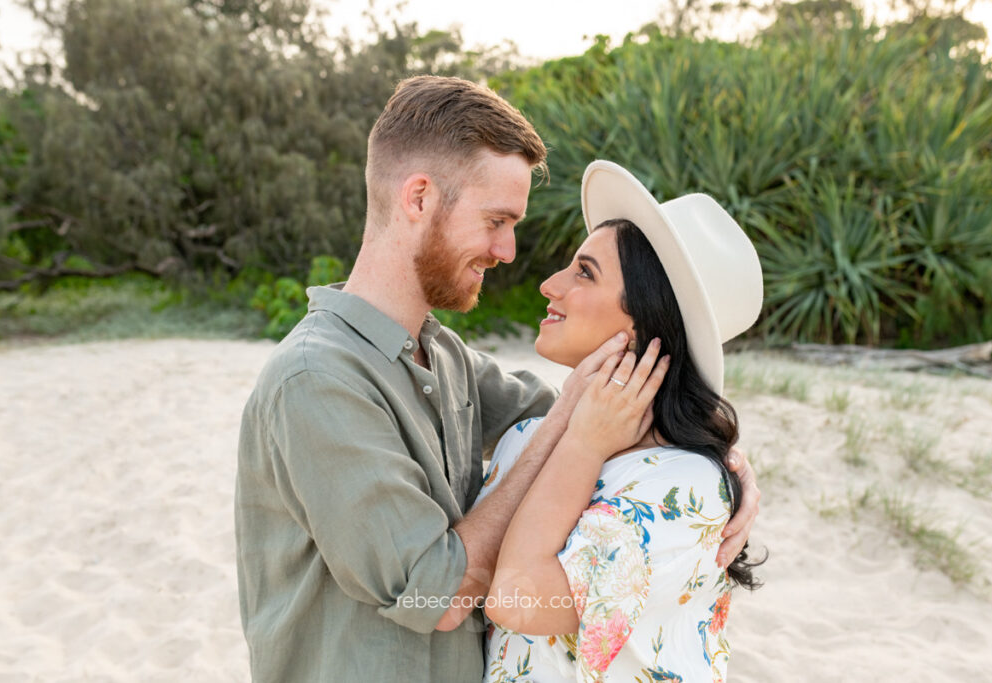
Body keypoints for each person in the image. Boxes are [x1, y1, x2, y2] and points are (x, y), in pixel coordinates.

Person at [235, 77, 760, 682]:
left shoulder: (444, 357)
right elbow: (439, 595)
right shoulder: (316, 378)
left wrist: (721, 460)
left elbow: (617, 426)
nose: (508, 251)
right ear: (419, 199)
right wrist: (571, 429)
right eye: (496, 220)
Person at [477, 160, 765, 682]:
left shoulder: (686, 488)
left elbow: (516, 599)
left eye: (584, 272)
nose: (549, 285)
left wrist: (585, 447)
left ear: (645, 324)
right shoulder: (524, 439)